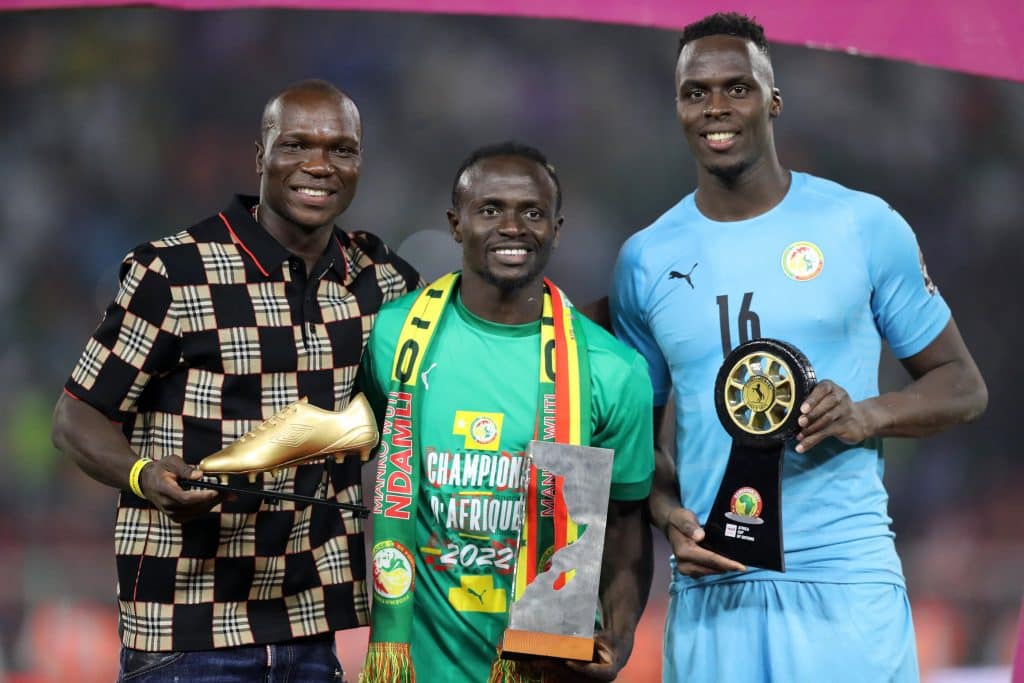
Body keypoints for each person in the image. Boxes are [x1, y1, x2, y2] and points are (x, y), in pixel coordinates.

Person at [609, 13, 988, 683]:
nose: (716, 107)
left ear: (773, 100)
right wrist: (669, 516)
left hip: (843, 581)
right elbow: (635, 438)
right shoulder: (645, 259)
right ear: (677, 107)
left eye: (738, 87)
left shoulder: (862, 224)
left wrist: (867, 414)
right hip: (712, 595)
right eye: (695, 92)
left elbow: (961, 383)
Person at [51, 79, 420, 682]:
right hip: (186, 631)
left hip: (310, 631)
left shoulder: (384, 281)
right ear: (261, 158)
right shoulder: (174, 272)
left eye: (342, 150)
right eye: (297, 145)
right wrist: (144, 475)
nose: (319, 166)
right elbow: (75, 419)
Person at [357, 142, 654, 682]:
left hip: (548, 661)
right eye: (490, 209)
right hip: (419, 666)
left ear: (557, 229)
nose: (512, 226)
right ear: (455, 223)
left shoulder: (613, 370)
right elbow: (368, 451)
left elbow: (628, 521)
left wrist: (621, 637)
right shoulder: (392, 337)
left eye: (532, 212)